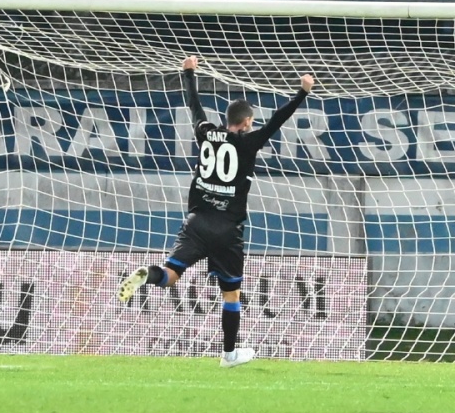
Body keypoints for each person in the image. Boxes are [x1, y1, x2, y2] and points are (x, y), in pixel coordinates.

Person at [118, 56, 315, 367]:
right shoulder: (249, 142)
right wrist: (302, 93)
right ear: (248, 121)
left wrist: (189, 73)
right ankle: (228, 355)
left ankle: (148, 276)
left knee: (170, 276)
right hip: (227, 228)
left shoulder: (207, 133)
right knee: (231, 295)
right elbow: (278, 119)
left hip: (196, 222)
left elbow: (194, 106)